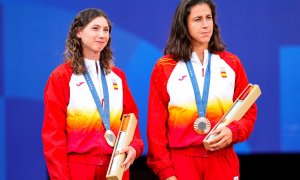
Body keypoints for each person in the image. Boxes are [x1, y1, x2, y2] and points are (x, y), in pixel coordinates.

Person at [147, 0, 257, 180]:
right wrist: (165, 171)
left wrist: (233, 131)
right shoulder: (164, 67)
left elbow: (248, 112)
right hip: (182, 162)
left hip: (222, 159)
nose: (205, 25)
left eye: (209, 18)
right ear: (184, 24)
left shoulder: (232, 63)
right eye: (198, 19)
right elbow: (156, 126)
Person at [42, 8, 144, 180]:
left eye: (106, 30)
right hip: (78, 169)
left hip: (115, 167)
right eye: (95, 28)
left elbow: (131, 118)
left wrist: (134, 146)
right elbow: (53, 136)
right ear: (79, 32)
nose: (102, 35)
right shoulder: (62, 77)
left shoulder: (117, 77)